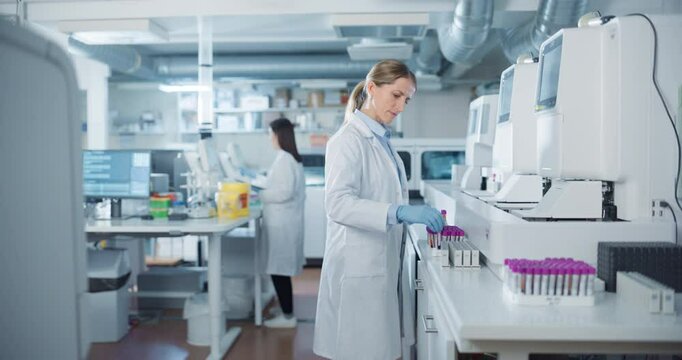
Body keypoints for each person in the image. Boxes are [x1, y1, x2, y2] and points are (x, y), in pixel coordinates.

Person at [313, 59, 445, 359]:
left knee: (377, 347)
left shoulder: (382, 140)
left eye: (407, 100)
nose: (401, 107)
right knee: (360, 348)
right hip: (358, 267)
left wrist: (403, 211)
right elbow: (337, 204)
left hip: (380, 261)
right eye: (396, 95)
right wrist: (398, 212)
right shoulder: (347, 140)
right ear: (372, 88)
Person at [258, 118, 306, 328]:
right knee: (279, 269)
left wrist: (260, 195)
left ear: (279, 135)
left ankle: (288, 317)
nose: (270, 139)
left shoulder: (285, 159)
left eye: (271, 134)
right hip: (283, 222)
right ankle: (285, 309)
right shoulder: (288, 158)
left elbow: (284, 192)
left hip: (282, 224)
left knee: (279, 270)